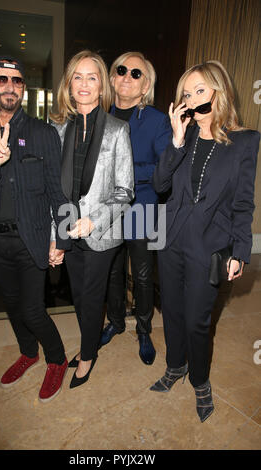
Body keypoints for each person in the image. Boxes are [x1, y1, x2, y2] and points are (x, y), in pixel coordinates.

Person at [150, 60, 260, 422]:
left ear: (219, 92)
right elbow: (160, 185)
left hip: (210, 245)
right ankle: (174, 366)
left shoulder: (244, 142)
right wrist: (177, 141)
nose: (193, 99)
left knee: (198, 319)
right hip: (170, 241)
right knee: (173, 311)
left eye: (200, 90)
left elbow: (243, 203)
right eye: (187, 93)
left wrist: (240, 251)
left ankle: (199, 379)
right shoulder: (184, 136)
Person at [0, 55, 70, 403]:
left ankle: (56, 357)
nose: (10, 86)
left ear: (24, 88)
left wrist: (62, 238)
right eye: (1, 79)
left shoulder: (42, 133)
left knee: (32, 310)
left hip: (32, 239)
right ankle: (29, 352)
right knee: (11, 305)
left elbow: (58, 192)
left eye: (17, 80)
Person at [50, 50, 134, 388]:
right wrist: (58, 238)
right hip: (68, 228)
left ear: (102, 86)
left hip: (102, 232)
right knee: (80, 297)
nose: (84, 84)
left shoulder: (117, 130)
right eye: (78, 77)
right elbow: (52, 189)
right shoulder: (56, 129)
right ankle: (89, 343)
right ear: (69, 85)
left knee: (91, 296)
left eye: (92, 77)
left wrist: (94, 220)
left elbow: (125, 191)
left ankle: (88, 356)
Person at [99, 52, 171, 365]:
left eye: (136, 73)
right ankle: (115, 322)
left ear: (145, 86)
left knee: (142, 275)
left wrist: (122, 171)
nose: (127, 76)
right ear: (112, 77)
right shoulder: (97, 115)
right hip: (106, 212)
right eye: (121, 70)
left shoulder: (157, 121)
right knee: (112, 272)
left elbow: (164, 169)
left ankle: (143, 329)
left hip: (142, 207)